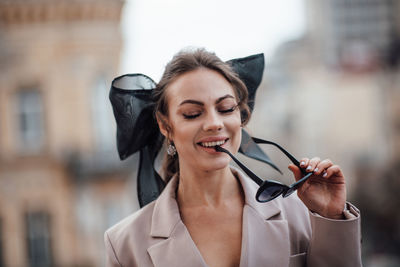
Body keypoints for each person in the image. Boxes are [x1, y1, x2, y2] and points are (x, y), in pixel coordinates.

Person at [104, 48, 362, 267]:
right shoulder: (124, 243)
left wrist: (331, 218)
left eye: (225, 108)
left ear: (240, 115)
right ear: (165, 125)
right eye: (193, 113)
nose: (214, 123)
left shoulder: (302, 212)